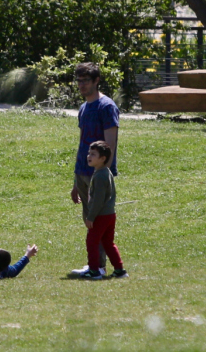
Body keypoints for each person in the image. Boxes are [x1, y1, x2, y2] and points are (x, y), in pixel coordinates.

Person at [69, 63, 119, 273]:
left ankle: (98, 267)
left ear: (96, 81)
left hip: (97, 175)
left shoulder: (106, 107)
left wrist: (102, 174)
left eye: (86, 81)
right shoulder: (83, 108)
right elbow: (82, 143)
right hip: (82, 172)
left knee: (98, 221)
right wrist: (75, 180)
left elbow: (110, 145)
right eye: (79, 81)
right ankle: (95, 264)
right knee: (89, 220)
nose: (82, 85)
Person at [74, 141, 125, 279]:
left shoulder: (100, 176)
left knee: (92, 242)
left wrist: (90, 217)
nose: (89, 156)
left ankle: (94, 271)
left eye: (93, 154)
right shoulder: (104, 172)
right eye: (89, 153)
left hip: (101, 216)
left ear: (102, 158)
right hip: (110, 214)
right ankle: (119, 270)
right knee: (108, 243)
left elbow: (98, 199)